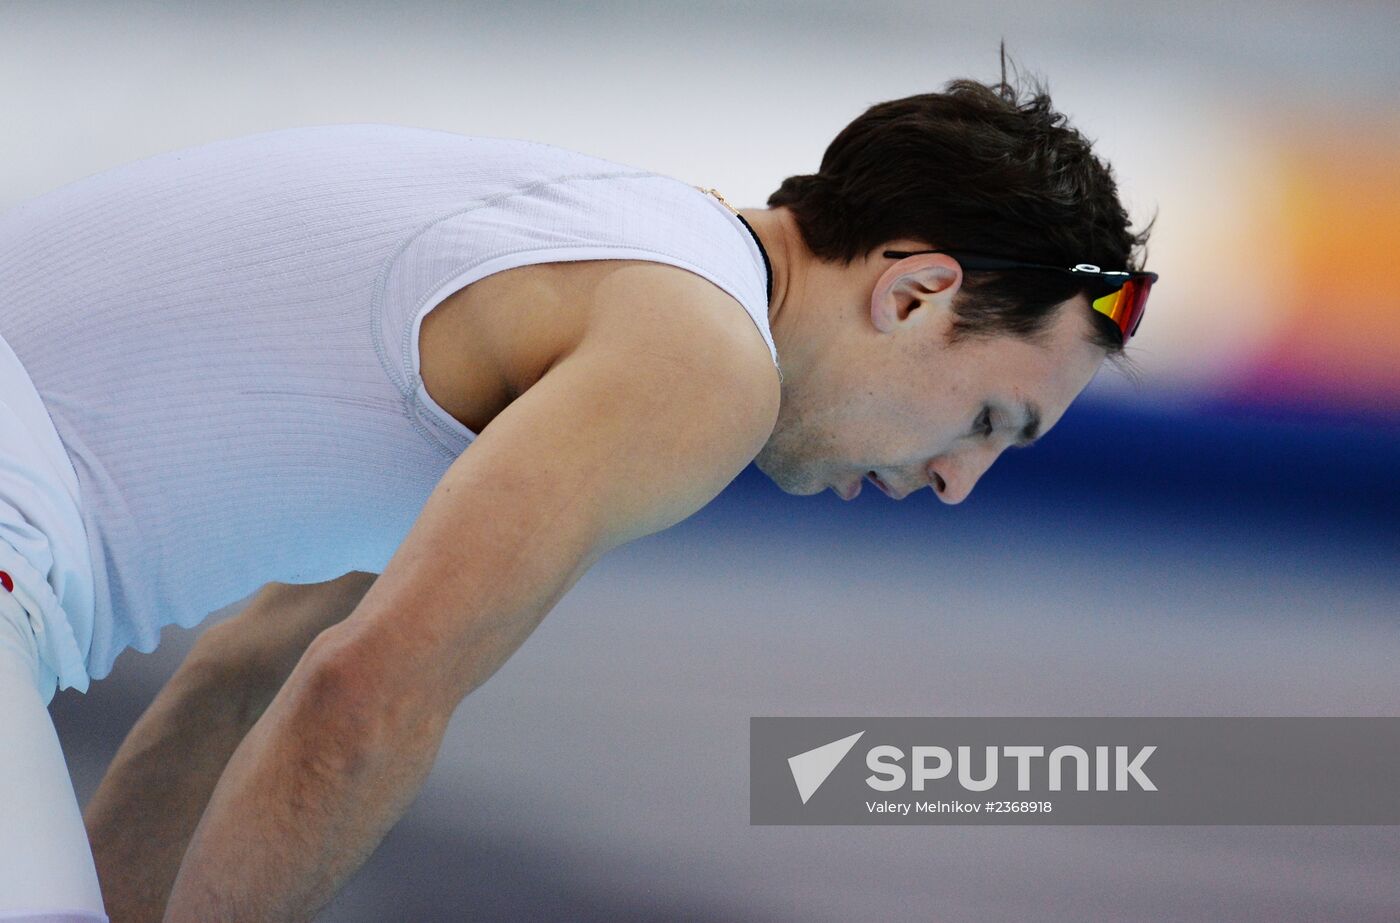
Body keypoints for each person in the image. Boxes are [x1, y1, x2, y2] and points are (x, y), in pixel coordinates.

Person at [0, 58, 1155, 922]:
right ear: (911, 295)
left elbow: (242, 675)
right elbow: (362, 704)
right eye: (989, 419)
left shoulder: (617, 265)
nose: (959, 480)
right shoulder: (700, 360)